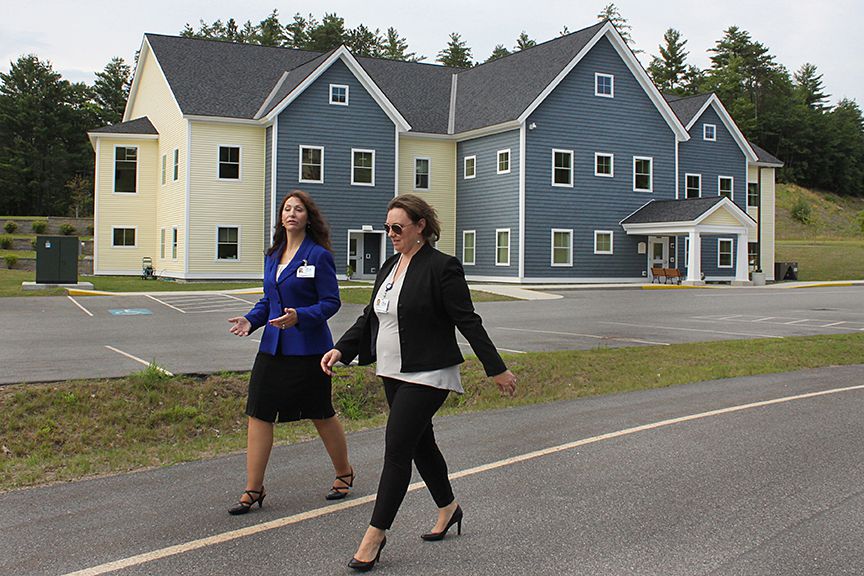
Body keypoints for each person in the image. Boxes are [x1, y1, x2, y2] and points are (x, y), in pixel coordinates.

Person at [321, 194, 517, 571]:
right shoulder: (390, 265)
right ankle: (449, 507)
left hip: (429, 373)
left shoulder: (442, 268)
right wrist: (341, 350)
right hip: (392, 371)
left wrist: (496, 368)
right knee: (420, 445)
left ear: (420, 226)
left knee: (396, 448)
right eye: (387, 227)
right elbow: (370, 318)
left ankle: (374, 536)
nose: (391, 234)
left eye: (398, 227)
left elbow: (468, 320)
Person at [227, 190, 354, 515]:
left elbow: (330, 302)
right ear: (281, 217)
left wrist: (301, 315)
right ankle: (253, 488)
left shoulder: (319, 255)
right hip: (272, 347)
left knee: (320, 412)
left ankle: (344, 473)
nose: (292, 213)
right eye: (287, 209)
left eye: (298, 209)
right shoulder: (273, 255)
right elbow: (268, 302)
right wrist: (250, 320)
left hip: (310, 350)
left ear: (307, 217)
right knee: (258, 413)